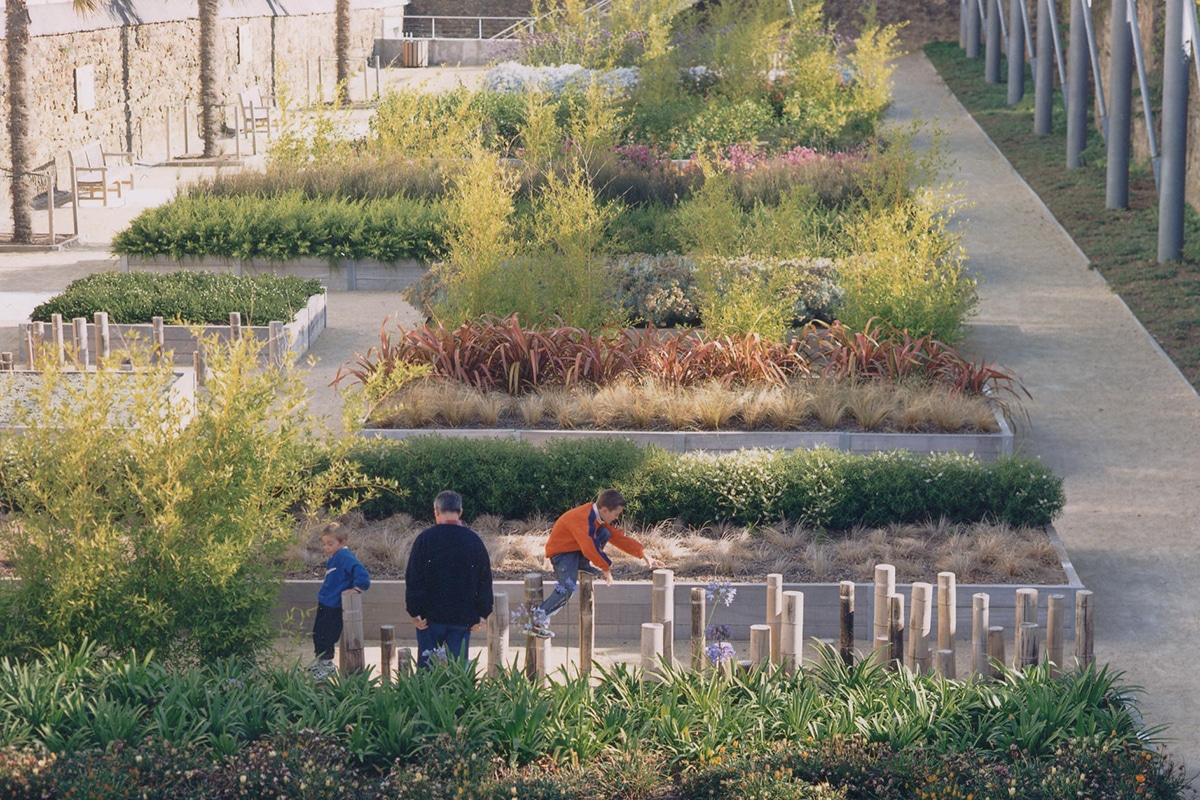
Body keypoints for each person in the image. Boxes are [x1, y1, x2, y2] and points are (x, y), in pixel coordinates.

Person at [530, 488, 661, 639]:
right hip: (562, 554)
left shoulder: (597, 517)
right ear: (605, 510)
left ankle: (582, 564)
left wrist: (643, 554)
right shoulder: (583, 519)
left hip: (574, 549)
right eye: (616, 514)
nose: (617, 518)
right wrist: (605, 567)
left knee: (606, 533)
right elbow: (589, 546)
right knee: (567, 588)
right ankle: (536, 621)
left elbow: (618, 537)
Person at [405, 490, 494, 668]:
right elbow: (484, 579)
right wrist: (483, 613)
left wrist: (414, 611)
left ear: (436, 510)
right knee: (458, 670)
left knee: (427, 669)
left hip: (429, 618)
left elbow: (414, 578)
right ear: (460, 512)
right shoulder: (473, 540)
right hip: (462, 617)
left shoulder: (425, 539)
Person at [311, 522, 371, 679]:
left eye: (330, 544)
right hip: (326, 601)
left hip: (334, 605)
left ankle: (327, 665)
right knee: (318, 633)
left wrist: (357, 588)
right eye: (324, 544)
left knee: (327, 635)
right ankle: (321, 663)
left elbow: (362, 574)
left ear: (343, 542)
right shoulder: (334, 557)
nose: (326, 547)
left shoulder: (345, 556)